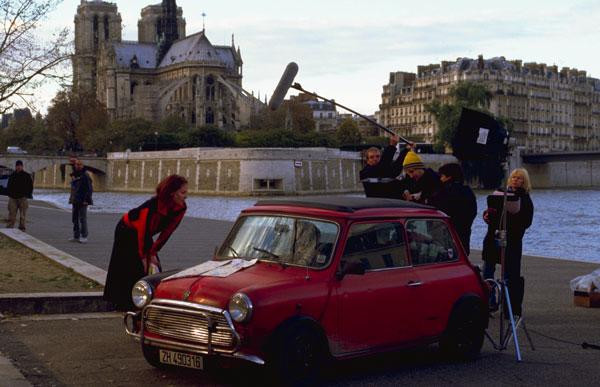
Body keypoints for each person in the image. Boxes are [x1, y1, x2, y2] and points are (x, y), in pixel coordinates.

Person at [103, 174, 188, 311]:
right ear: (172, 193)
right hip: (127, 229)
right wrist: (143, 256)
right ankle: (121, 302)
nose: (186, 196)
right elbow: (141, 232)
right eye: (183, 192)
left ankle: (145, 300)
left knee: (154, 266)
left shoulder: (181, 208)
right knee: (128, 264)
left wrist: (154, 252)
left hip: (144, 233)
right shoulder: (151, 206)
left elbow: (167, 233)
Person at [482, 168, 534, 315]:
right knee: (487, 271)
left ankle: (508, 307)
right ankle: (489, 303)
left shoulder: (525, 199)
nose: (515, 180)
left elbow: (527, 222)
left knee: (509, 275)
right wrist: (486, 215)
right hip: (494, 237)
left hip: (512, 241)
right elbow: (491, 213)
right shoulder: (499, 194)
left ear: (525, 181)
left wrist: (512, 218)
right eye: (513, 177)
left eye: (519, 178)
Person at [429, 163, 477, 255]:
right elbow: (473, 212)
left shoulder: (445, 192)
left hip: (446, 238)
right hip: (464, 235)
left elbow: (438, 207)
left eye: (442, 176)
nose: (440, 178)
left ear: (449, 177)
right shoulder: (467, 191)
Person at [69, 158, 93, 243]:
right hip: (75, 199)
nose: (77, 166)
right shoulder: (76, 174)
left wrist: (87, 200)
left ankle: (84, 236)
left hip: (83, 200)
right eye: (76, 165)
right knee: (74, 218)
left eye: (79, 165)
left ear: (82, 166)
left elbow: (89, 189)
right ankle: (76, 236)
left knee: (82, 218)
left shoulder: (85, 175)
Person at [6, 160, 33, 231]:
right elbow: (8, 185)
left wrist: (28, 194)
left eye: (20, 166)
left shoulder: (26, 175)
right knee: (11, 213)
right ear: (15, 167)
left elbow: (30, 186)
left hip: (23, 198)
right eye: (17, 166)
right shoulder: (12, 175)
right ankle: (9, 227)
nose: (18, 167)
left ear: (22, 166)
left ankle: (22, 227)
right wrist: (9, 194)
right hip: (13, 198)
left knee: (22, 215)